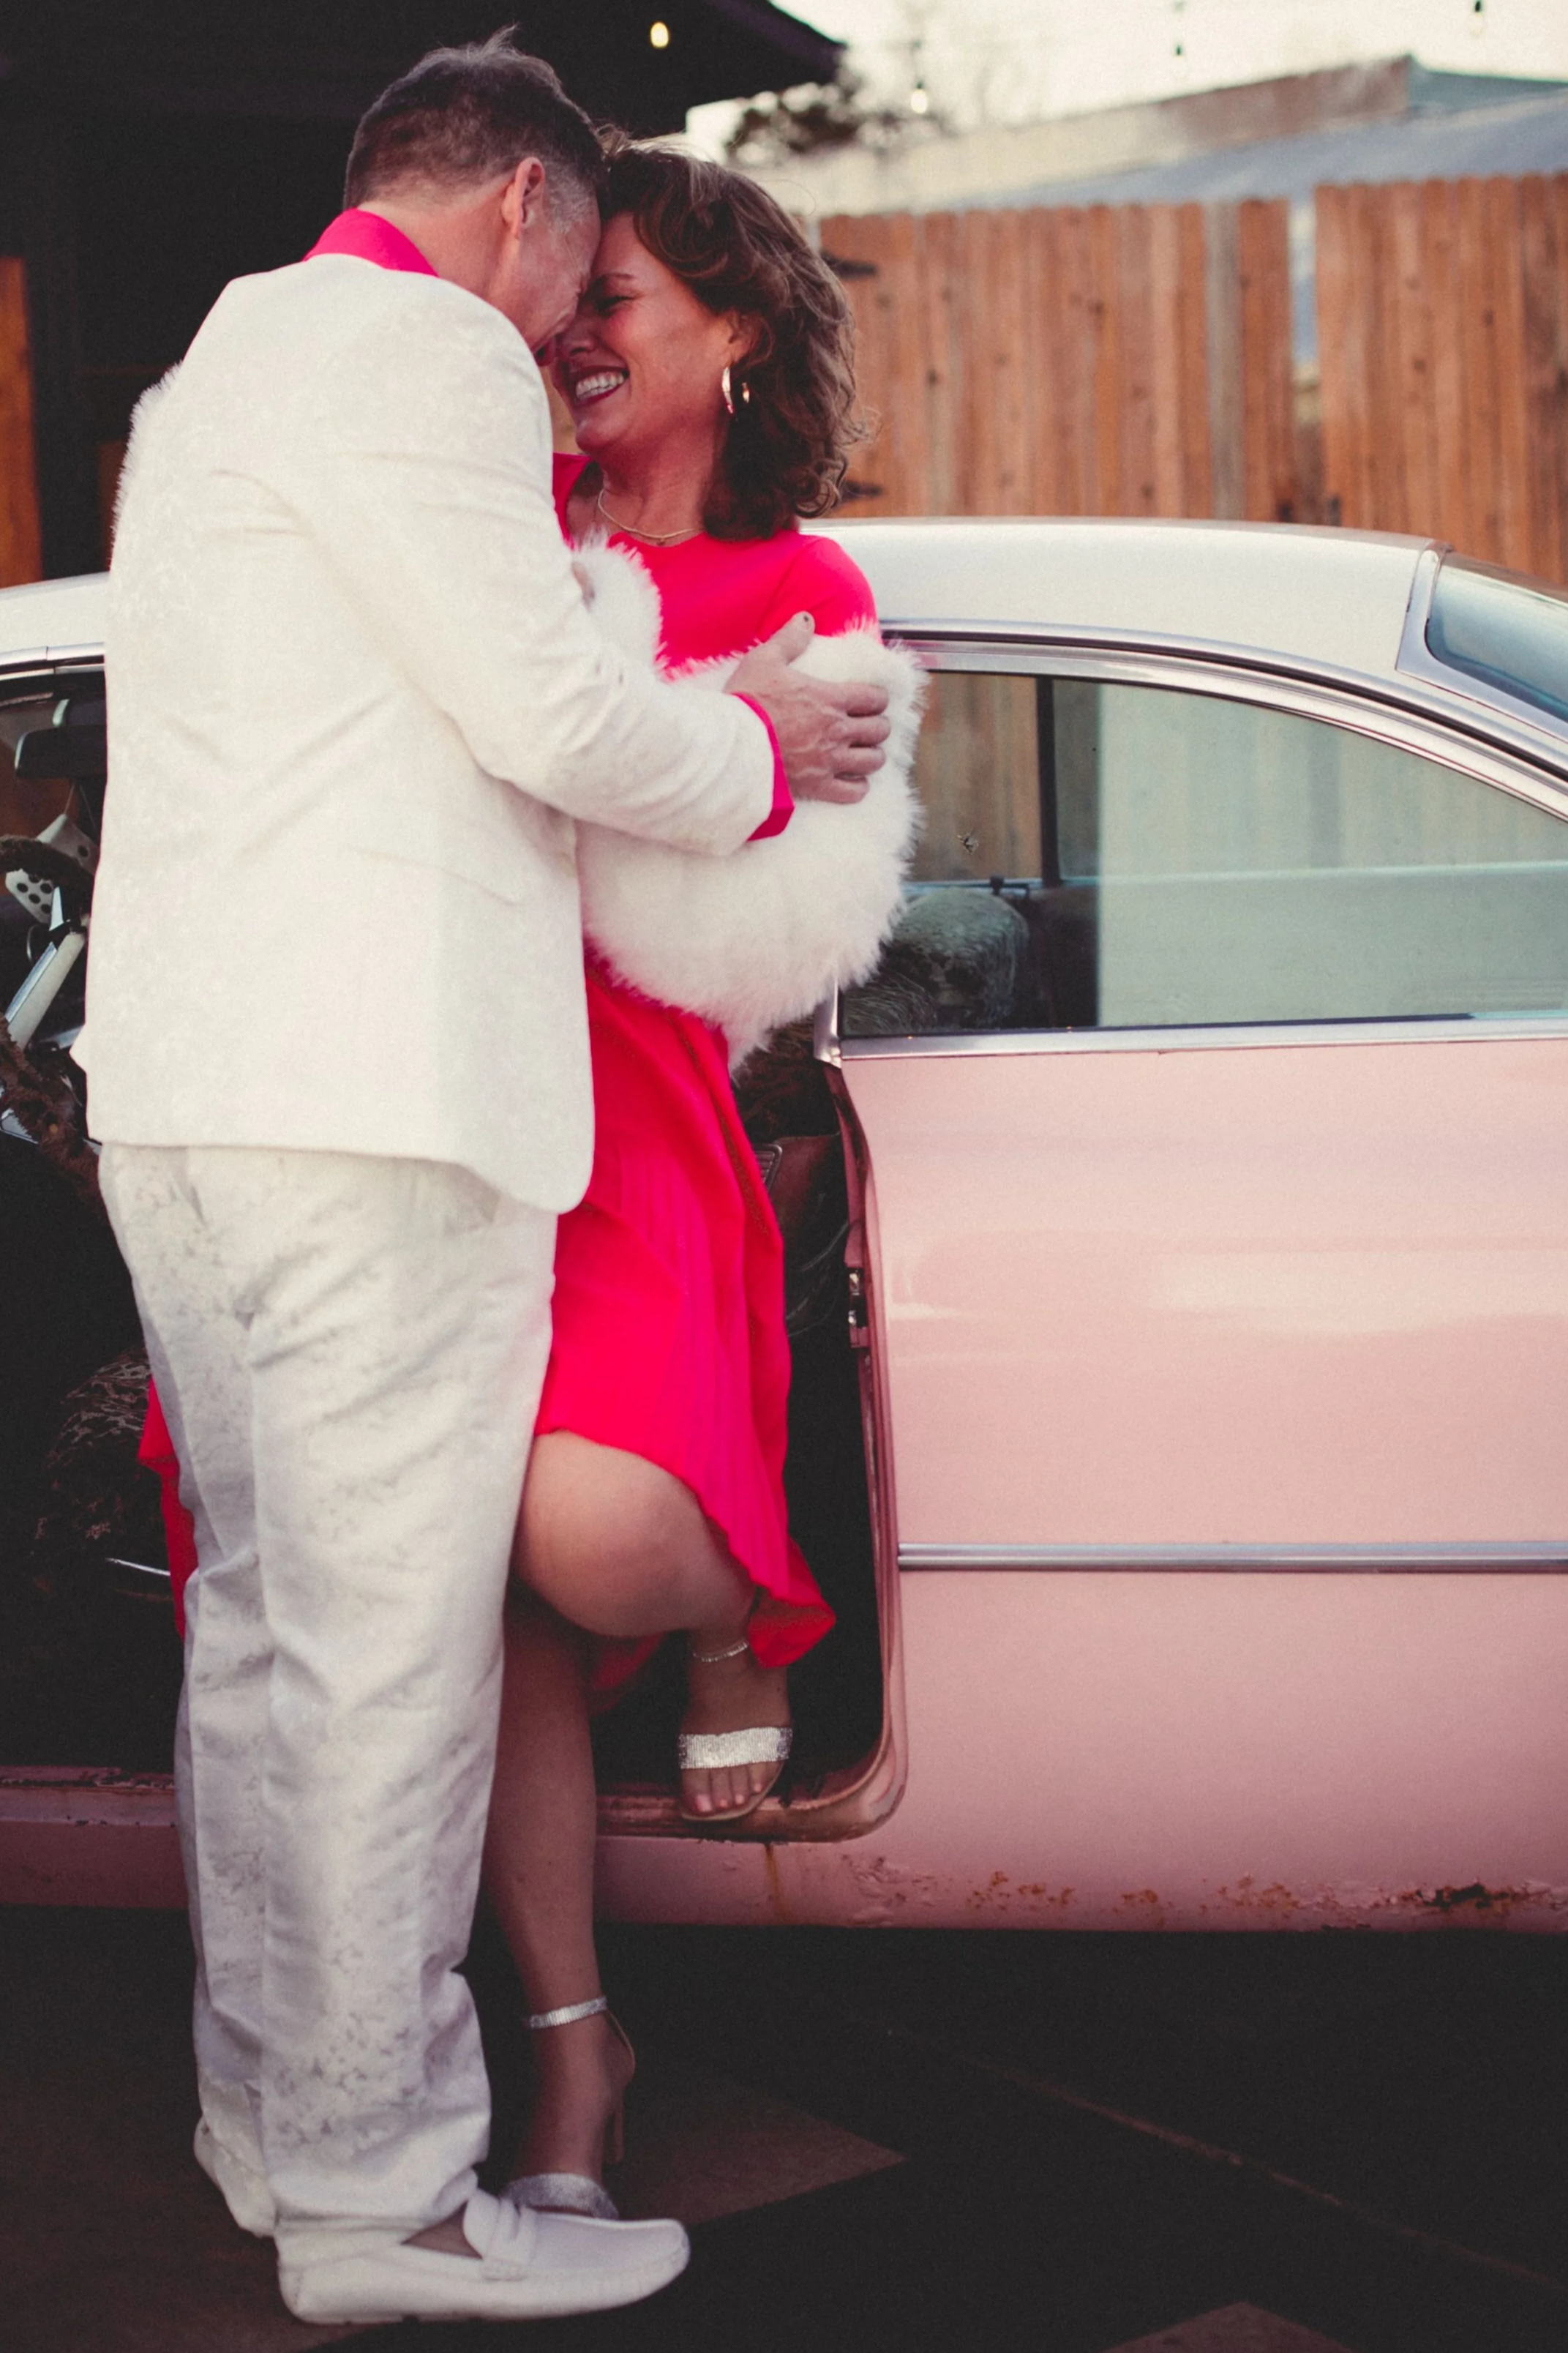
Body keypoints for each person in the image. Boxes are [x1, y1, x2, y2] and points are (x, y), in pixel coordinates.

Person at [78, 37, 889, 2330]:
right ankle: (385, 2196)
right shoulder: (429, 350)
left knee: (262, 1643)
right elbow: (550, 711)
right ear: (527, 208)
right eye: (570, 275)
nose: (565, 338)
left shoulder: (232, 354)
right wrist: (762, 740)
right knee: (385, 1671)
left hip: (197, 1101)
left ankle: (269, 2121)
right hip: (381, 1110)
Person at [479, 142, 921, 2223]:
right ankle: (573, 2045)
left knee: (594, 1529)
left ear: (736, 330)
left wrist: (664, 736)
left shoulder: (806, 597)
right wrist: (685, 742)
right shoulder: (495, 541)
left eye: (622, 296)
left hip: (642, 1100)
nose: (577, 331)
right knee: (474, 1583)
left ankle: (739, 1612)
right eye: (566, 296)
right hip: (448, 1088)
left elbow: (779, 942)